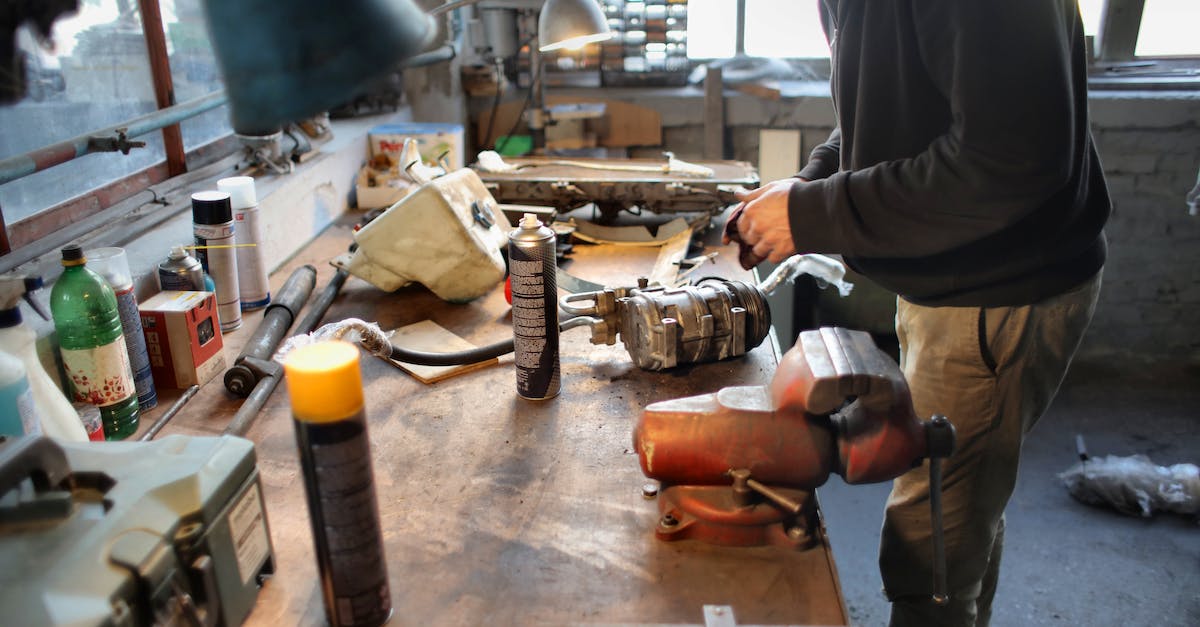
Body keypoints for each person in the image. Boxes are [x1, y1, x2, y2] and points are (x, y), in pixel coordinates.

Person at [725, 2, 1109, 626]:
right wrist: (805, 189)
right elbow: (894, 115)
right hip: (948, 274)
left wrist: (812, 214)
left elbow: (1008, 162)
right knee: (966, 497)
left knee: (930, 547)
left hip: (997, 288)